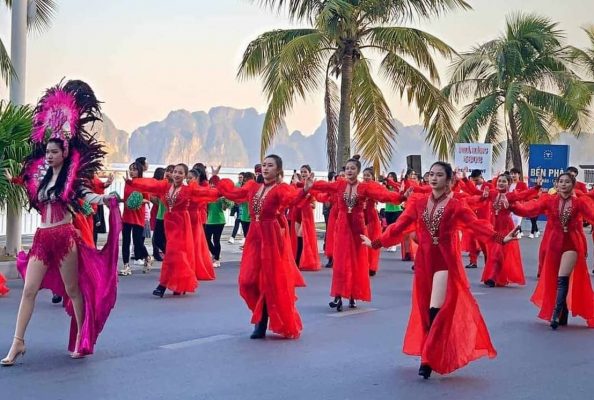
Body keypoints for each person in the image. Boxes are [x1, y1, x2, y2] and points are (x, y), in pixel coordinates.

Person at [1, 80, 122, 365]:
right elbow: (28, 185)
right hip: (42, 239)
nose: (50, 155)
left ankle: (83, 336)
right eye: (48, 152)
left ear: (64, 153)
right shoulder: (40, 177)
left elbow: (87, 195)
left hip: (66, 237)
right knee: (29, 290)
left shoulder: (72, 178)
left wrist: (105, 200)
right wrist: (15, 179)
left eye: (54, 151)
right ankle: (17, 343)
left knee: (72, 290)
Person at [361, 161, 518, 379]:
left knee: (436, 309)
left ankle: (428, 357)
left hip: (445, 261)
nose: (433, 178)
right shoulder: (418, 202)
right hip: (425, 261)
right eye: (431, 174)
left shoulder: (456, 205)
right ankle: (430, 352)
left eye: (439, 175)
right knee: (425, 311)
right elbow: (399, 226)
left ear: (449, 180)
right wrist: (377, 243)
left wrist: (501, 238)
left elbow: (476, 225)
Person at [217, 155, 305, 339]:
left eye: (270, 165)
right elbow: (233, 193)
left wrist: (304, 190)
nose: (265, 168)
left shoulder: (281, 189)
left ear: (278, 170)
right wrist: (216, 180)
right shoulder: (252, 187)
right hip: (254, 237)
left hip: (272, 237)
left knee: (270, 281)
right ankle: (261, 315)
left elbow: (293, 198)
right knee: (247, 281)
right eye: (264, 165)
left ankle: (261, 321)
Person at [305, 155, 409, 311]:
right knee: (340, 260)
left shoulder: (365, 187)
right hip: (342, 227)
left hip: (358, 228)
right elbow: (325, 186)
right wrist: (311, 184)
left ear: (358, 171)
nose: (349, 171)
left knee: (356, 261)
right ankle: (338, 294)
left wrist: (400, 196)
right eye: (347, 168)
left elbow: (383, 195)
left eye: (352, 168)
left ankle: (353, 294)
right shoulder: (339, 185)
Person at [510, 172, 594, 329]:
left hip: (572, 243)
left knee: (563, 277)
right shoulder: (549, 201)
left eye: (567, 182)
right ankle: (562, 313)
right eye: (560, 181)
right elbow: (530, 209)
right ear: (557, 184)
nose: (563, 184)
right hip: (554, 243)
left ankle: (556, 313)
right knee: (554, 279)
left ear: (573, 184)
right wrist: (513, 206)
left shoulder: (580, 203)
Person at [126, 164, 219, 297]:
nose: (176, 174)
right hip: (169, 224)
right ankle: (180, 283)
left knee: (172, 254)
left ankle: (163, 284)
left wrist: (220, 189)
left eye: (180, 173)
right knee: (178, 255)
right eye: (175, 172)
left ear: (185, 175)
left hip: (181, 224)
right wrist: (133, 182)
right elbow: (150, 185)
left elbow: (206, 192)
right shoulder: (166, 186)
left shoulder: (188, 190)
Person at [118, 161, 152, 276]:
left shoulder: (143, 184)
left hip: (138, 216)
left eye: (135, 169)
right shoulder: (128, 183)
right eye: (131, 169)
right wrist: (117, 200)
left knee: (138, 242)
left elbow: (147, 200)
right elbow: (126, 199)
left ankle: (147, 257)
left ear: (140, 171)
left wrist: (138, 200)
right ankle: (126, 266)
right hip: (127, 216)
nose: (132, 172)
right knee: (125, 241)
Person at [205, 175, 230, 268]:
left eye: (214, 184)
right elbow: (206, 209)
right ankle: (215, 254)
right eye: (210, 183)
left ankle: (217, 259)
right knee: (206, 239)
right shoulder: (208, 194)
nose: (212, 185)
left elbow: (224, 208)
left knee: (216, 240)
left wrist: (223, 200)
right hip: (209, 220)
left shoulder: (221, 195)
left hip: (219, 220)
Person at [228, 172, 245, 244]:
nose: (239, 179)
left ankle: (244, 237)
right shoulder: (236, 185)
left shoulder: (246, 185)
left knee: (243, 222)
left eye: (241, 177)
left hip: (244, 207)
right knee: (237, 221)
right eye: (239, 177)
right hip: (237, 206)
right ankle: (233, 237)